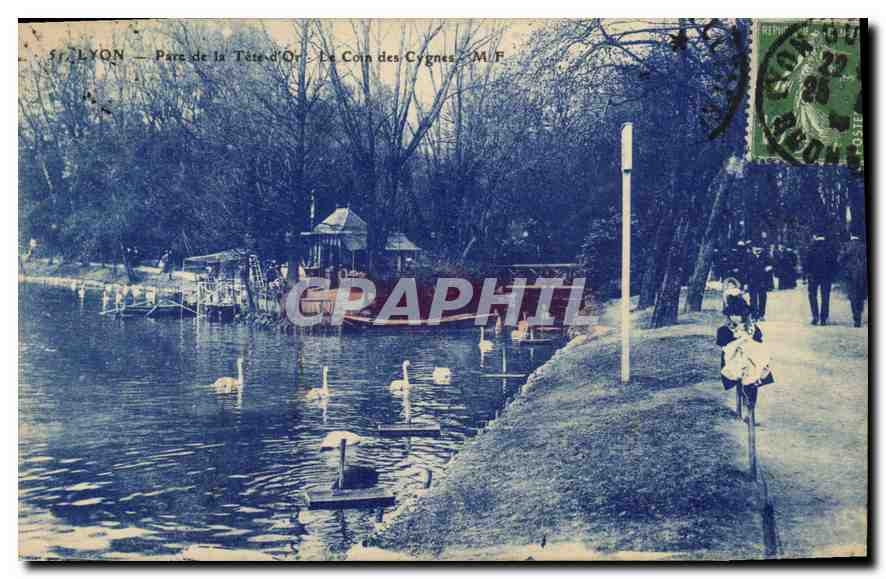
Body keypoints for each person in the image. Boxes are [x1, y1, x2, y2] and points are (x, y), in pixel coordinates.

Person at [716, 291, 774, 409]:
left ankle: (750, 402)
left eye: (739, 315)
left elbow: (758, 341)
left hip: (749, 359)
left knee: (755, 368)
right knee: (735, 367)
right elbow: (723, 344)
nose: (736, 318)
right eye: (733, 315)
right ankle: (742, 392)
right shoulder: (725, 329)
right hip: (734, 359)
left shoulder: (751, 328)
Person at [804, 233, 839, 325]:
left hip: (813, 276)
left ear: (816, 236)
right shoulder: (830, 247)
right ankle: (824, 317)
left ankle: (815, 316)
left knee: (812, 295)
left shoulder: (811, 247)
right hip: (826, 276)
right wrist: (833, 275)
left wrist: (806, 274)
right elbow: (834, 262)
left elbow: (806, 262)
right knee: (825, 296)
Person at [838, 234, 868, 327]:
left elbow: (839, 259)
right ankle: (860, 311)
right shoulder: (863, 246)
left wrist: (845, 266)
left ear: (851, 235)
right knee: (860, 294)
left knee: (853, 295)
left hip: (850, 274)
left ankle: (856, 317)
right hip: (863, 273)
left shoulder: (846, 245)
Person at [744, 245, 774, 320]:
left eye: (759, 248)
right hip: (752, 281)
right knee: (753, 299)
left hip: (762, 281)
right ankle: (754, 315)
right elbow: (744, 269)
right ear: (752, 248)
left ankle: (761, 315)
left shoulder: (765, 256)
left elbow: (773, 264)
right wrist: (745, 282)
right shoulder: (748, 257)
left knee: (762, 298)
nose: (758, 250)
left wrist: (769, 268)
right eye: (756, 247)